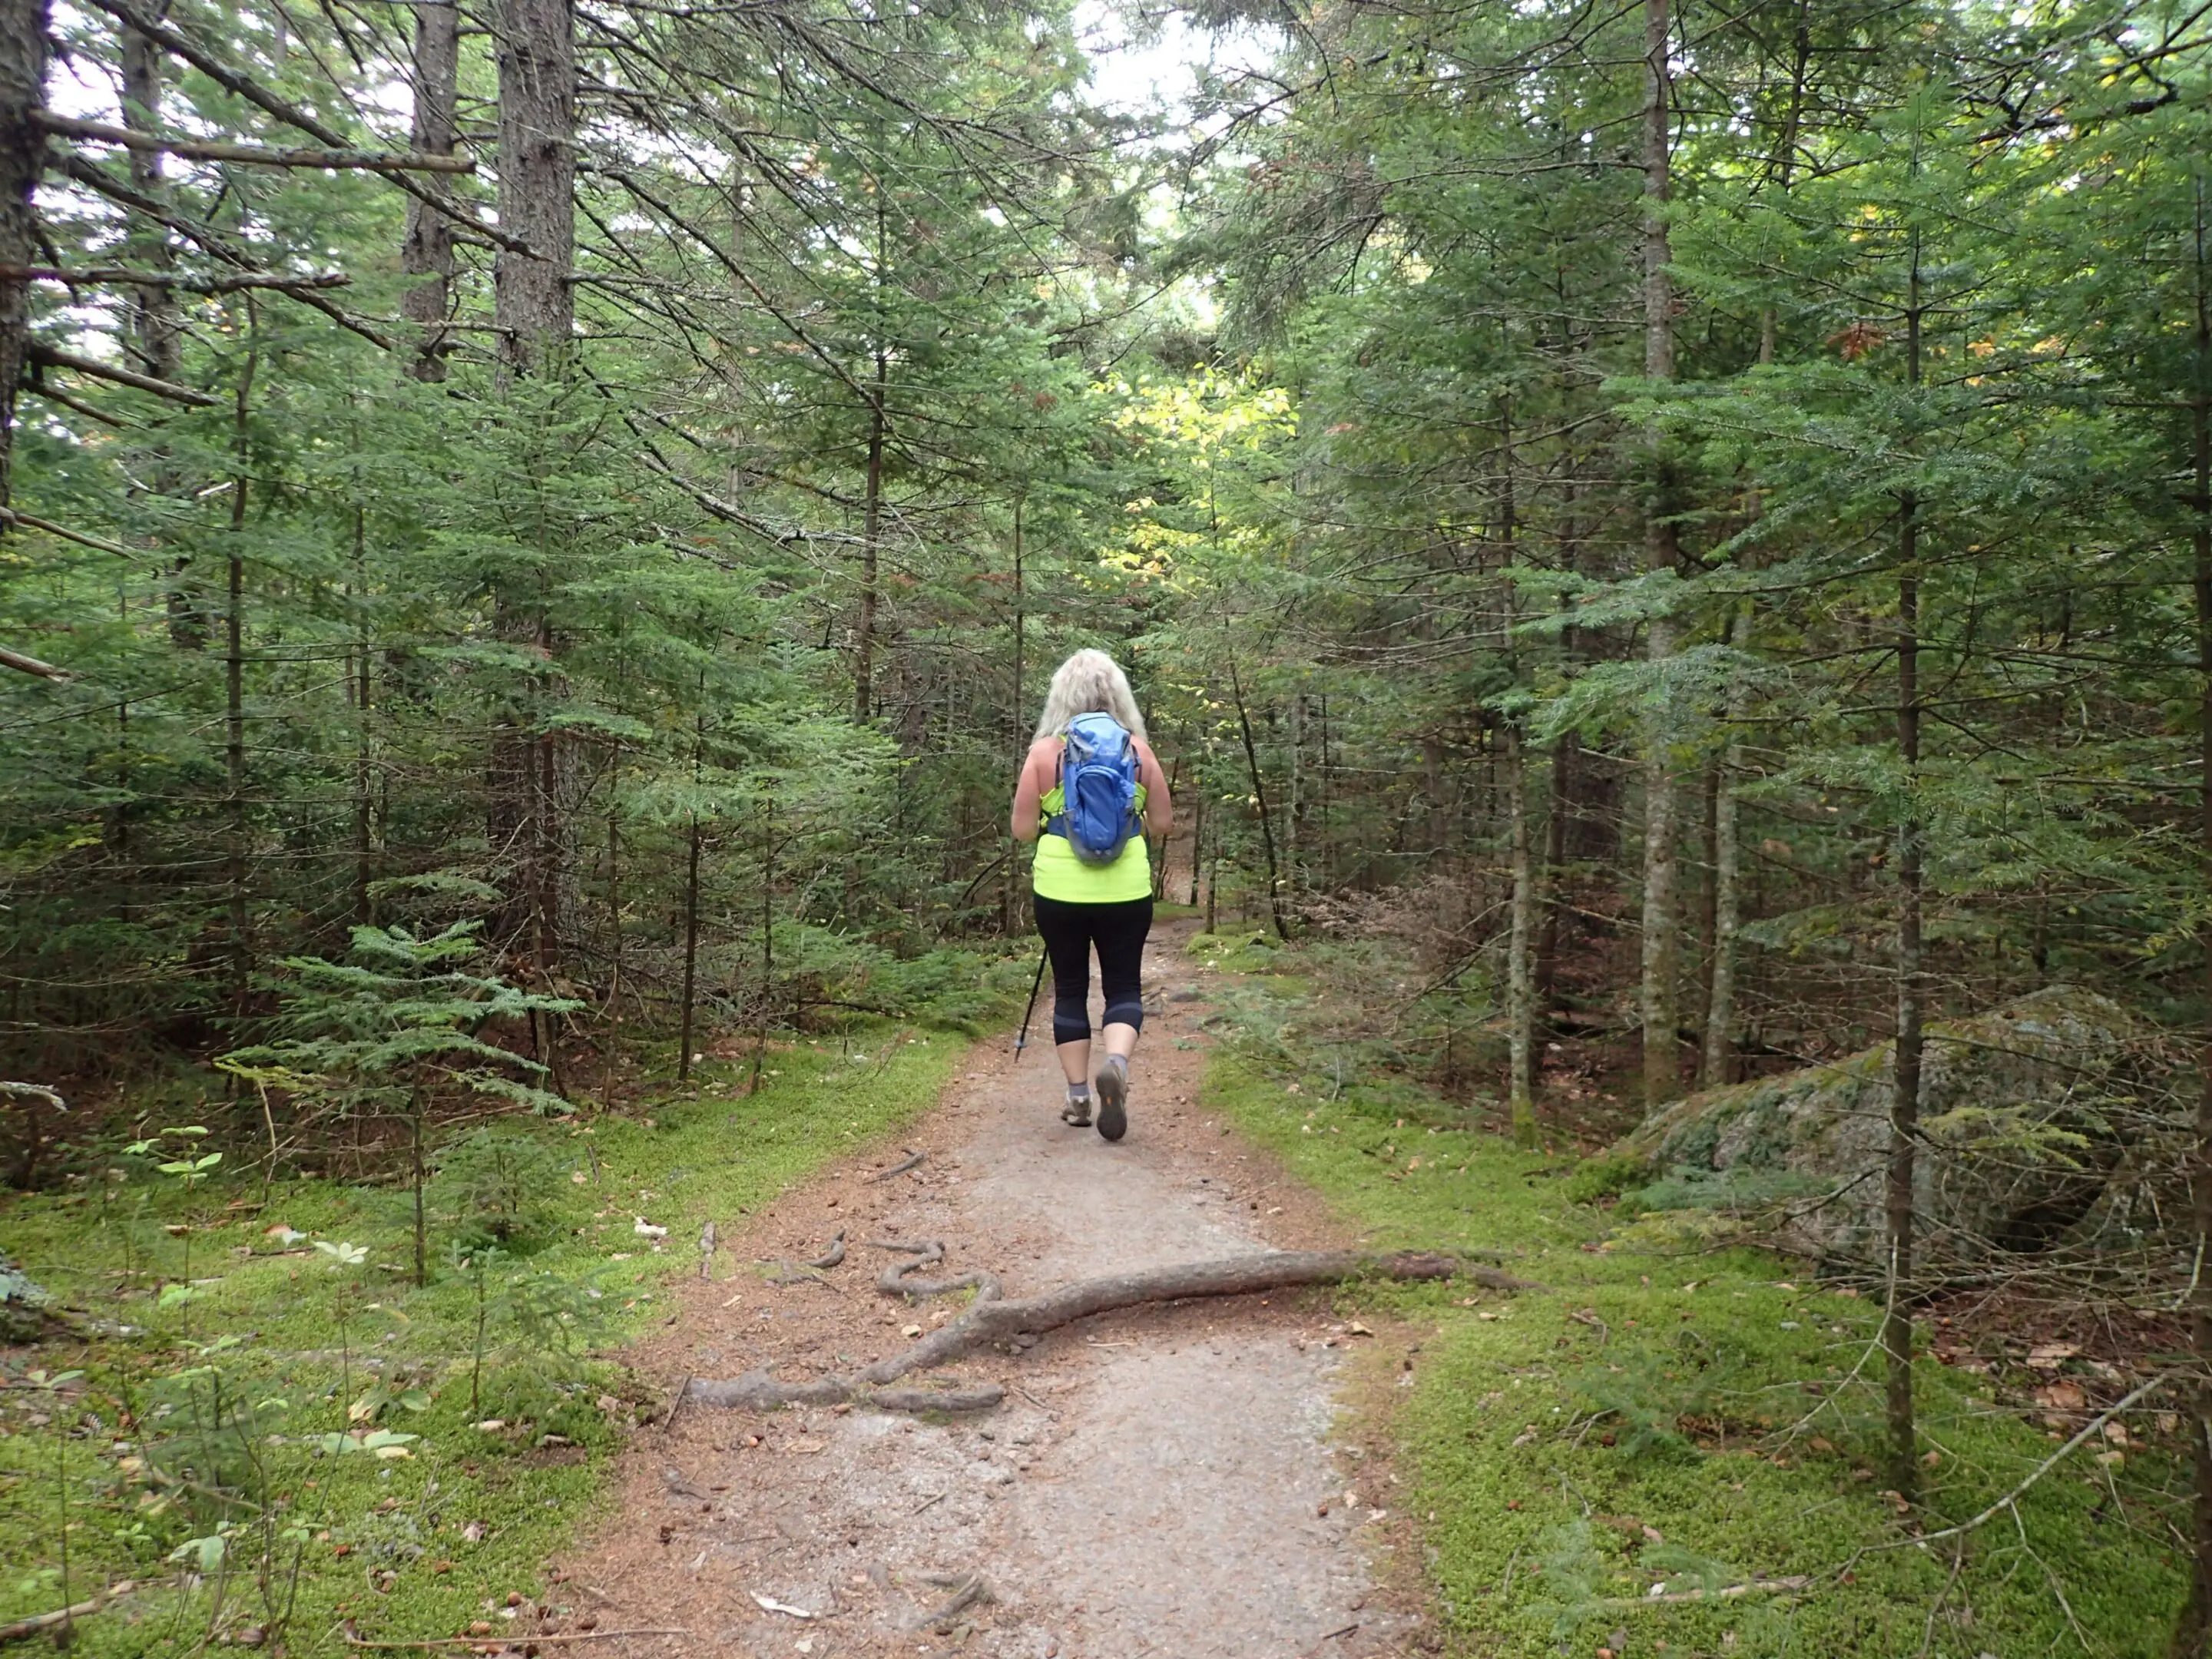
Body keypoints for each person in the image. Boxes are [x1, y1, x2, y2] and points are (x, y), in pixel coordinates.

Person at [1011, 649, 1172, 1141]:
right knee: (1123, 986)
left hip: (1059, 889)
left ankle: (1079, 1098)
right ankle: (1117, 1065)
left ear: (1062, 696)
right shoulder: (1138, 752)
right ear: (1116, 695)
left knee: (1071, 989)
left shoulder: (1044, 753)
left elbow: (1020, 831)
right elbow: (1164, 825)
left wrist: (1051, 821)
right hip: (1125, 889)